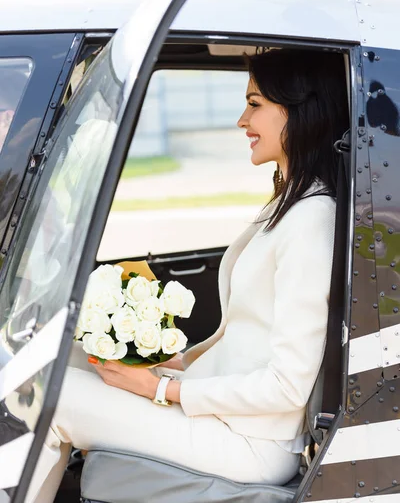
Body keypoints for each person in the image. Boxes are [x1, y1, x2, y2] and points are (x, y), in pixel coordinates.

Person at [28, 48, 349, 503]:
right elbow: (245, 336)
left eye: (255, 104)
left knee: (44, 396)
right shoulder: (288, 206)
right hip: (229, 420)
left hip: (251, 443)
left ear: (301, 112)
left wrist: (162, 388)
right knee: (67, 360)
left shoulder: (311, 219)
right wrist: (173, 362)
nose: (241, 119)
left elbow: (286, 385)